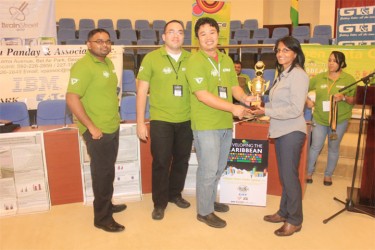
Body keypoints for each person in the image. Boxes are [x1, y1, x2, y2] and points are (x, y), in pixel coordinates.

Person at [185, 17, 253, 229]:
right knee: (208, 168)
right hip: (206, 124)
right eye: (203, 34)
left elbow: (234, 87)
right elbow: (202, 95)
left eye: (211, 32)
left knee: (218, 166)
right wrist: (234, 108)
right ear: (197, 39)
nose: (208, 37)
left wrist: (245, 99)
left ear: (218, 35)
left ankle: (210, 199)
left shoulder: (226, 60)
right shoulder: (194, 62)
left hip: (224, 123)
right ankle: (204, 212)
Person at [66, 28, 126, 233]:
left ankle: (107, 205)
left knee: (108, 172)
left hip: (111, 125)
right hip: (97, 130)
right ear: (88, 44)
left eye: (108, 41)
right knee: (102, 174)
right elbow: (72, 98)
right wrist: (91, 127)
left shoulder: (108, 63)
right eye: (99, 41)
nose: (104, 44)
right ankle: (102, 218)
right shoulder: (82, 67)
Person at [250, 36, 309, 236]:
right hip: (282, 130)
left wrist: (267, 112)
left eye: (285, 50)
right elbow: (280, 104)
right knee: (286, 176)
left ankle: (295, 220)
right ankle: (284, 212)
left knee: (289, 177)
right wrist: (263, 108)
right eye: (278, 50)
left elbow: (294, 109)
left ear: (295, 52)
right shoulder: (283, 74)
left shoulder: (298, 75)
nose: (280, 54)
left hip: (292, 130)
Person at [136, 20, 193, 221]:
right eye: (171, 32)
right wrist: (140, 122)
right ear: (163, 36)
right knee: (161, 162)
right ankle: (159, 203)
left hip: (187, 119)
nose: (176, 35)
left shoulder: (192, 58)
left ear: (184, 36)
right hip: (161, 119)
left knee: (181, 160)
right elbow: (142, 90)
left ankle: (175, 194)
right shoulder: (151, 58)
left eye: (180, 32)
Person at [306, 51, 356, 185]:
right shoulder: (319, 77)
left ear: (342, 63)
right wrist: (307, 101)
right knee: (315, 146)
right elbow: (303, 89)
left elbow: (354, 100)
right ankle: (308, 172)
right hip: (320, 119)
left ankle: (328, 175)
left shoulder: (349, 79)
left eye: (334, 61)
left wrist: (344, 97)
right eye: (329, 60)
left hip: (339, 121)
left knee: (333, 147)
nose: (331, 63)